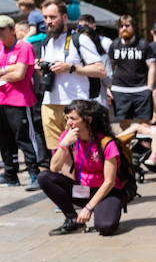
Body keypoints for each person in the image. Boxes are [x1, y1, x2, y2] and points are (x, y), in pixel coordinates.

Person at [38, 99, 129, 236]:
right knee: (44, 177)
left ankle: (106, 209)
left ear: (88, 120)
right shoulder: (68, 137)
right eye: (67, 118)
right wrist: (64, 145)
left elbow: (109, 181)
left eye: (73, 119)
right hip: (83, 190)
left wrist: (89, 207)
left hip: (106, 191)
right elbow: (54, 168)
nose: (68, 122)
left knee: (105, 227)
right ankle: (72, 220)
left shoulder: (106, 142)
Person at [38, 0, 106, 153]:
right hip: (49, 103)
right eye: (45, 17)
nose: (48, 21)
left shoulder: (79, 39)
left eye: (52, 17)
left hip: (75, 104)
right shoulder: (46, 42)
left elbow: (101, 70)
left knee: (79, 152)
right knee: (57, 153)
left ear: (64, 17)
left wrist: (71, 67)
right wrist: (42, 68)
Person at [0, 14, 41, 189]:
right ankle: (10, 175)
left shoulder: (24, 47)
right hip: (0, 99)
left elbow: (20, 75)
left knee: (24, 139)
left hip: (20, 100)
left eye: (2, 29)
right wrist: (7, 69)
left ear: (12, 30)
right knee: (5, 139)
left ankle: (35, 174)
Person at [108, 16, 156, 130]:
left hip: (141, 90)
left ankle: (144, 147)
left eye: (127, 26)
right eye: (121, 26)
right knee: (124, 124)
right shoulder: (115, 45)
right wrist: (108, 86)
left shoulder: (143, 45)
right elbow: (109, 67)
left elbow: (152, 66)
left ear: (134, 27)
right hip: (120, 90)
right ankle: (126, 148)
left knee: (144, 124)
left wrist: (149, 88)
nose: (124, 28)